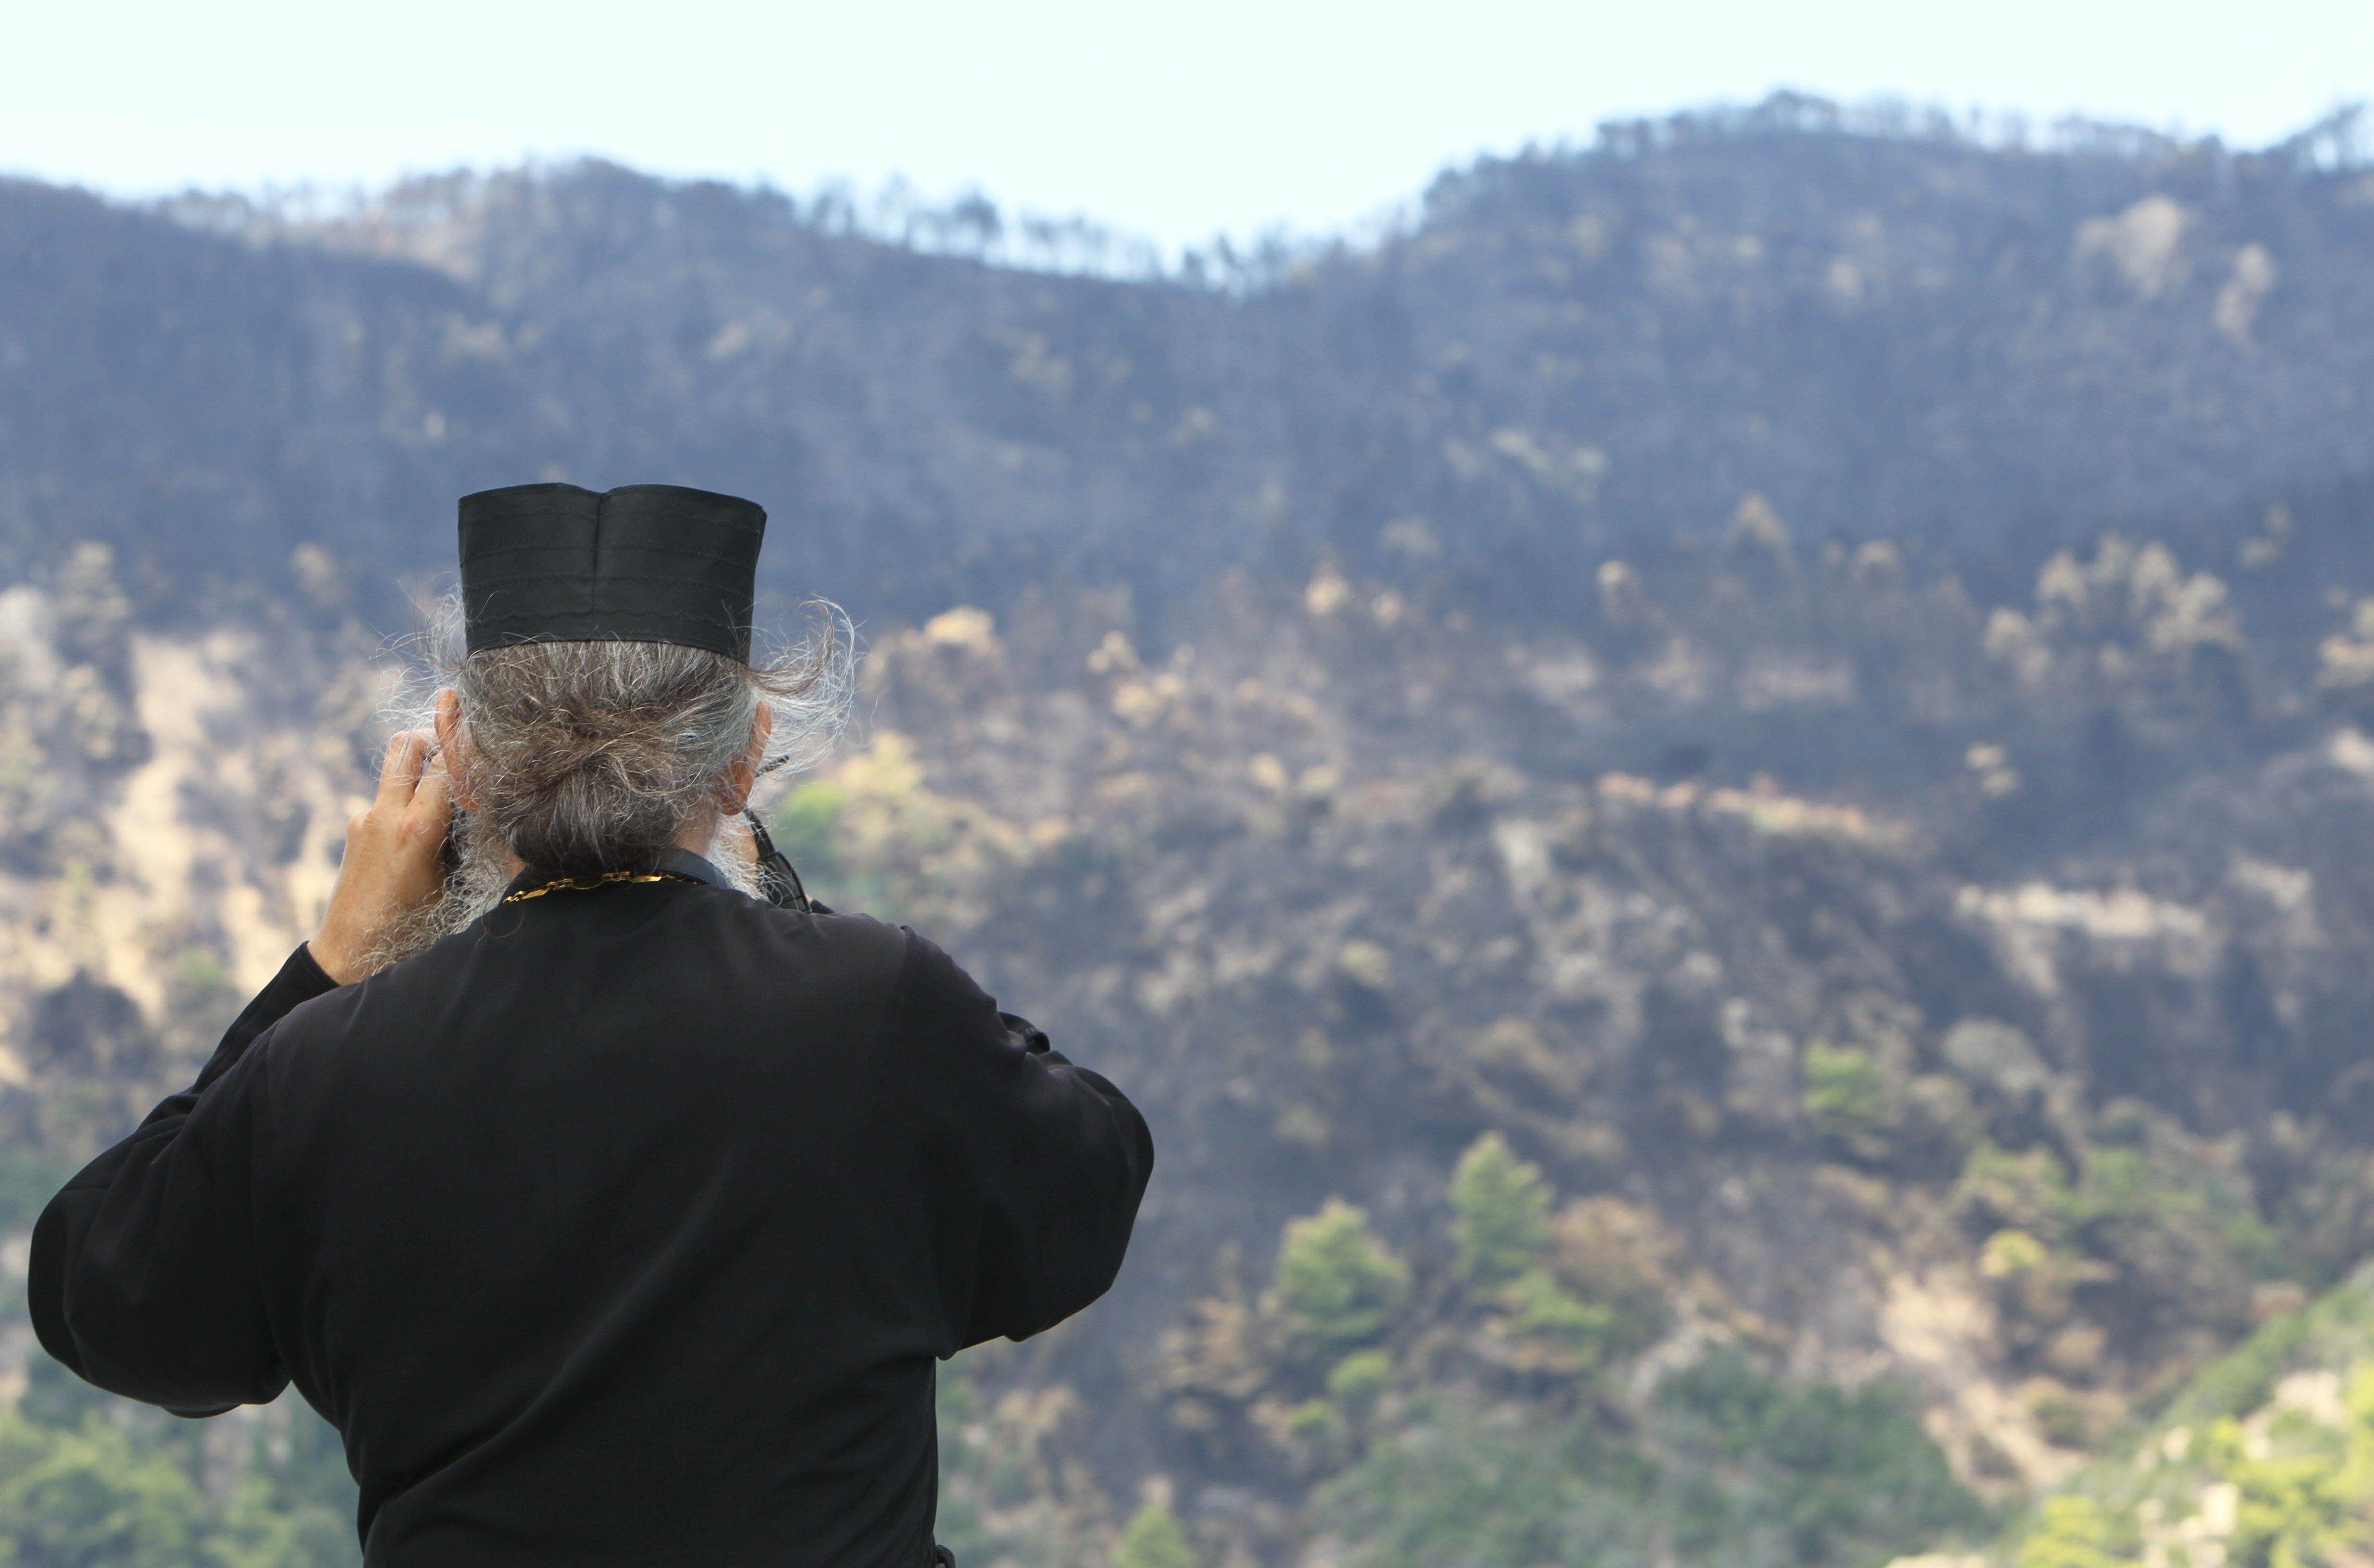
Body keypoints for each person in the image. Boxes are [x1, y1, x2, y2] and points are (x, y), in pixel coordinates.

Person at [26, 482, 1154, 1568]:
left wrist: (330, 965)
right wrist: (789, 909)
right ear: (745, 754)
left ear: (459, 754)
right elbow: (1085, 1190)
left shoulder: (325, 1066)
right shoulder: (874, 1008)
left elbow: (112, 1302)